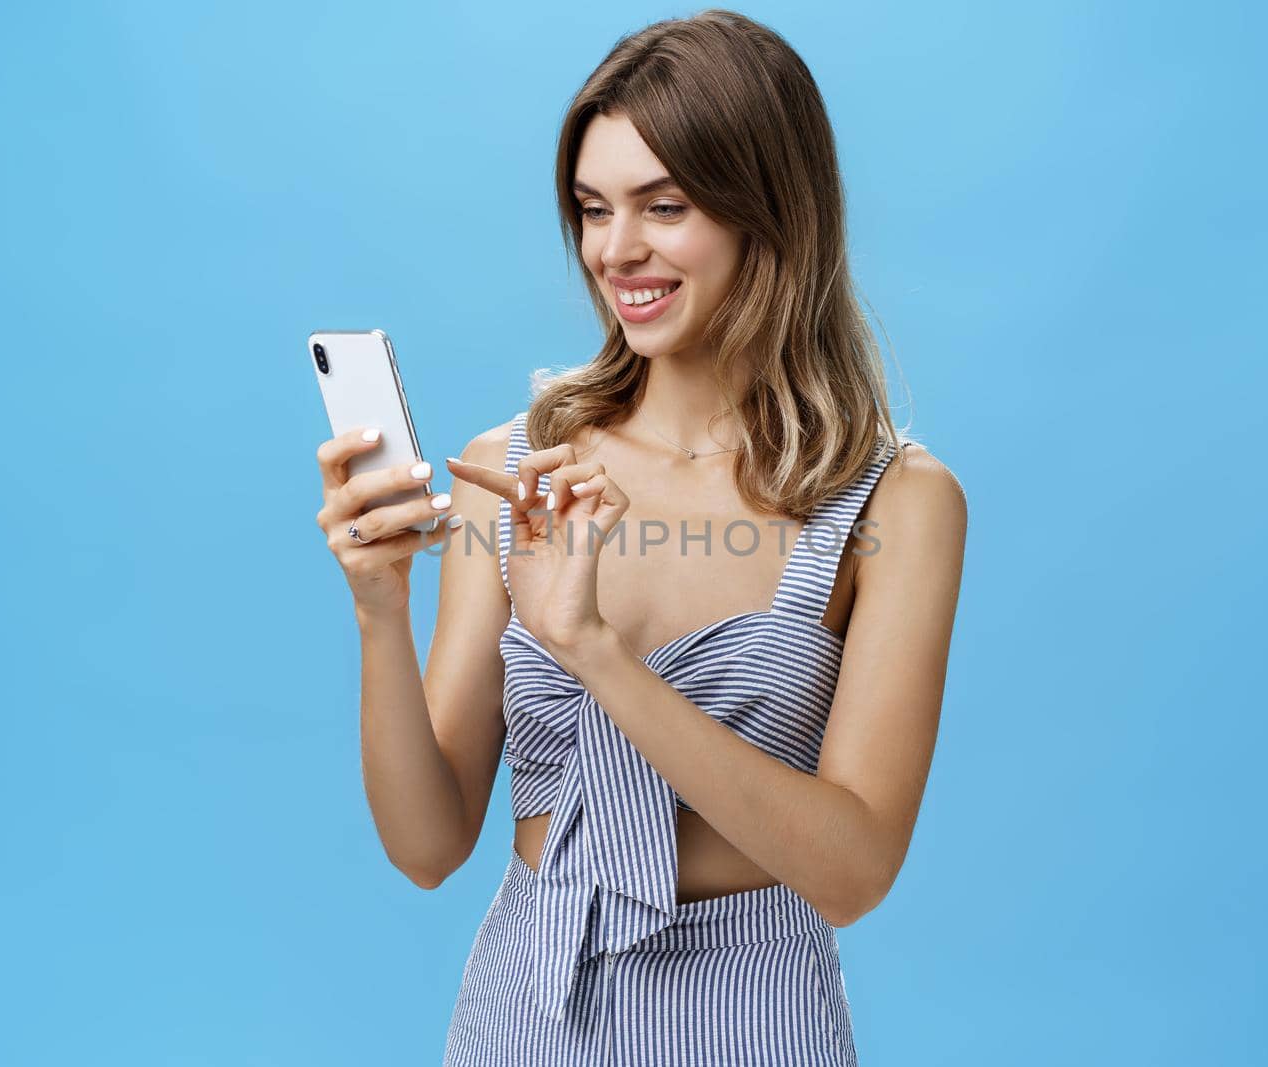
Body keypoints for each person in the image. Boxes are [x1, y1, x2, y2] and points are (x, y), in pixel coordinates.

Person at [313, 10, 966, 1065]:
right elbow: (429, 847)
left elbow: (853, 873)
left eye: (665, 205)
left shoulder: (895, 501)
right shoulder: (512, 469)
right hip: (524, 1003)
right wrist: (377, 606)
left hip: (752, 1008)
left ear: (772, 211)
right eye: (591, 208)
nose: (616, 251)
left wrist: (595, 652)